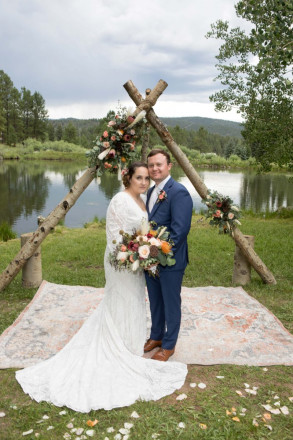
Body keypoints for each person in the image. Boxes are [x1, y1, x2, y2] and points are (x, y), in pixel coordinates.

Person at [15, 161, 187, 413]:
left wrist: (145, 252)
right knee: (122, 299)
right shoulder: (119, 200)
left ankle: (132, 340)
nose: (143, 181)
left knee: (135, 300)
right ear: (127, 178)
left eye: (145, 178)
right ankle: (120, 343)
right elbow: (114, 235)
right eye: (138, 177)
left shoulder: (144, 199)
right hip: (123, 262)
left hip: (138, 261)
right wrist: (129, 255)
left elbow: (145, 230)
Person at [144, 150, 193, 362]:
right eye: (151, 165)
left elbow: (179, 231)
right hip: (151, 258)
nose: (155, 168)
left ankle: (169, 345)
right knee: (155, 300)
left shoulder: (178, 192)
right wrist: (146, 253)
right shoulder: (150, 192)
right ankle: (156, 336)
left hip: (170, 260)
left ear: (169, 166)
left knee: (171, 302)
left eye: (159, 164)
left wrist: (157, 253)